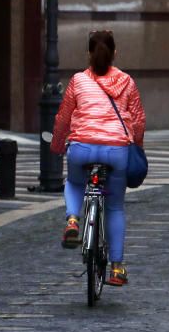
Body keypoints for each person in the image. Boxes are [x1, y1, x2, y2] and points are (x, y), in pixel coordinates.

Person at [50, 30, 146, 286]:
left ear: (88, 55)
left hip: (81, 147)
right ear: (114, 54)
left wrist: (58, 145)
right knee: (114, 207)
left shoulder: (78, 80)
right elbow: (137, 120)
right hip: (116, 151)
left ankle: (72, 219)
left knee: (74, 182)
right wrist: (137, 146)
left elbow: (63, 117)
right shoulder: (127, 81)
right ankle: (116, 267)